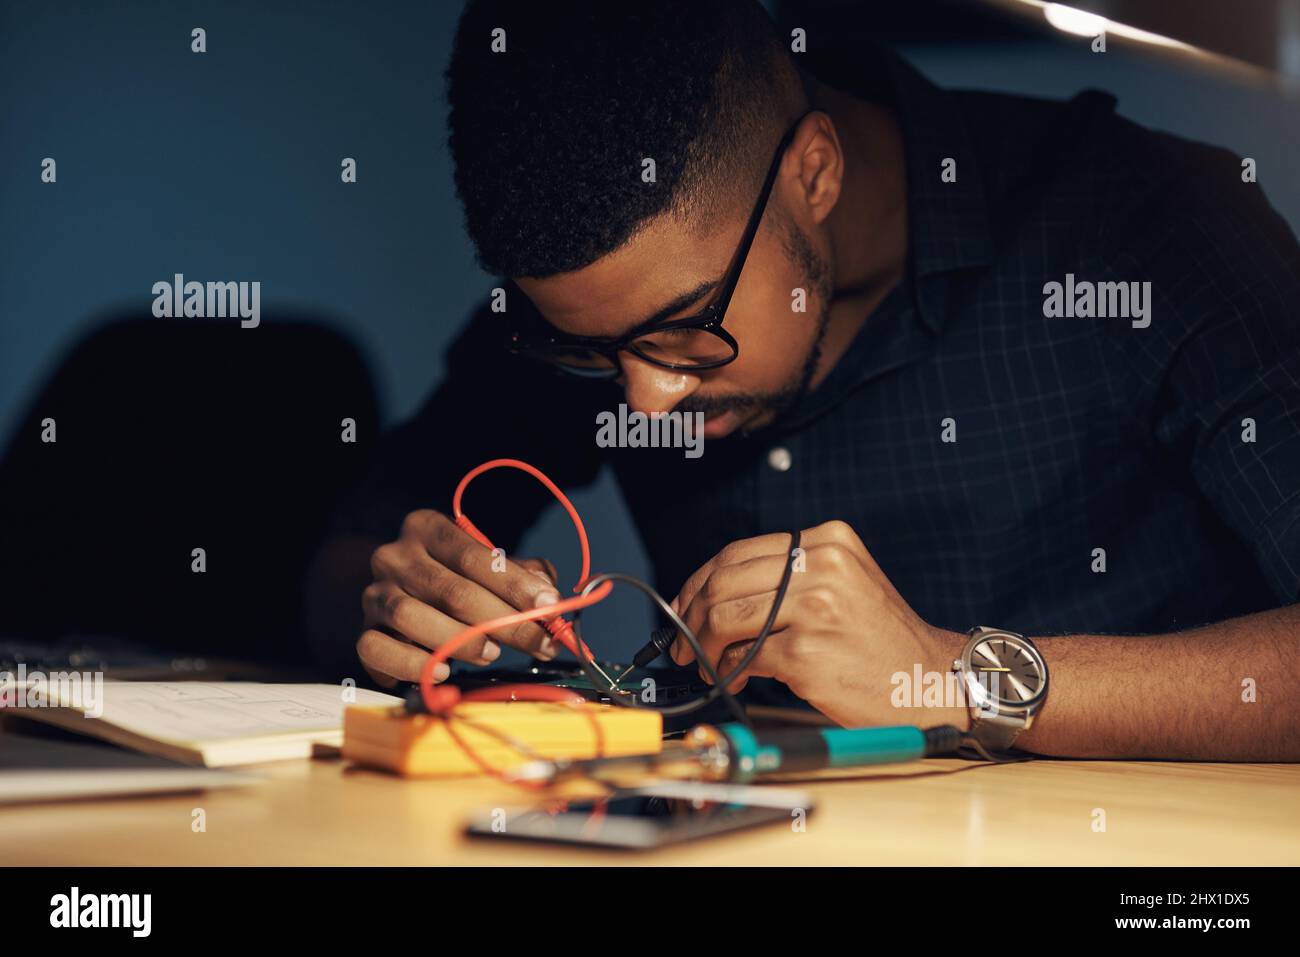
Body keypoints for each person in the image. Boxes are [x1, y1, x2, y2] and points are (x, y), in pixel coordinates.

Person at [305, 0, 1300, 760]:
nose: (643, 403)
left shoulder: (1153, 224)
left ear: (812, 175)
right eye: (594, 354)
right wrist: (399, 598)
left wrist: (953, 680)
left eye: (684, 331)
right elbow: (352, 547)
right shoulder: (599, 311)